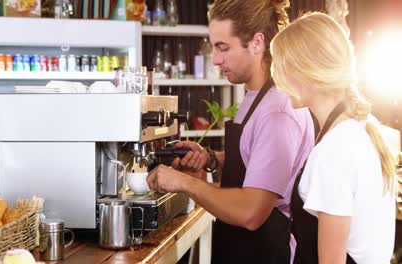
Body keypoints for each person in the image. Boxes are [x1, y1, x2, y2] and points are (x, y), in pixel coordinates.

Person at [147, 0, 315, 263]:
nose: (214, 59)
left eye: (222, 48)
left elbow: (251, 212)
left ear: (257, 43)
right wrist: (213, 158)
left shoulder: (277, 110)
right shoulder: (255, 95)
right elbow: (257, 162)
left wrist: (184, 182)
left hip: (266, 254)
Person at [270, 12, 398, 263]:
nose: (278, 77)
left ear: (307, 72)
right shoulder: (362, 126)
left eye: (282, 66)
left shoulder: (334, 150)